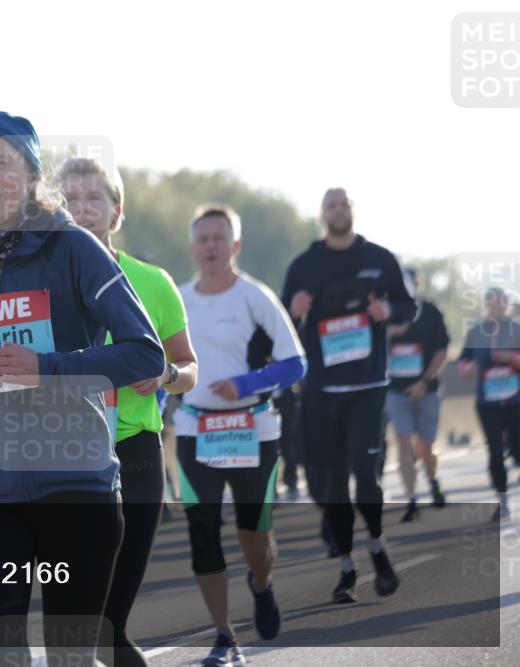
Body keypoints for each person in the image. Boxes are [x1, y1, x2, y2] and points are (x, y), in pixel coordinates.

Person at [0, 112, 165, 667]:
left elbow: (146, 352)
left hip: (76, 485)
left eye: (1, 163)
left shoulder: (74, 248)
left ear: (31, 174)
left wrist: (48, 368)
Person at [60, 157, 198, 666]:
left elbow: (188, 366)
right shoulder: (45, 287)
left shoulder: (154, 283)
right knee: (89, 622)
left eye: (94, 199)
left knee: (111, 622)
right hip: (67, 449)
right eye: (69, 200)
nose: (81, 209)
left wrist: (165, 376)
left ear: (116, 212)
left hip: (135, 448)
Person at [174, 204, 307, 666]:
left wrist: (245, 384)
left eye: (219, 237)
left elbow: (296, 363)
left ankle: (262, 583)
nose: (211, 246)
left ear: (236, 245)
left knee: (255, 538)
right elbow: (158, 362)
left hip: (252, 428)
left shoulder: (256, 297)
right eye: (203, 238)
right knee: (202, 532)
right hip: (195, 428)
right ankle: (223, 635)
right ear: (192, 247)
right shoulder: (178, 298)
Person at [282, 187, 415, 604]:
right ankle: (345, 567)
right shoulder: (304, 265)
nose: (338, 211)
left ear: (353, 212)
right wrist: (294, 309)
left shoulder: (379, 258)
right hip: (321, 389)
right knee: (331, 484)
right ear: (322, 215)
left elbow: (409, 307)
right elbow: (279, 320)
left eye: (344, 205)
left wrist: (387, 312)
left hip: (367, 385)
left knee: (365, 473)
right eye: (330, 206)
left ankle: (375, 544)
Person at [384, 267, 450, 521]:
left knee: (424, 447)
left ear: (417, 284)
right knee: (402, 443)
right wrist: (388, 333)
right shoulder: (386, 315)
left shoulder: (432, 313)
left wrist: (424, 382)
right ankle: (411, 500)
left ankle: (433, 480)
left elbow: (442, 351)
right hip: (396, 392)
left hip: (427, 390)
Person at [457, 287, 520, 522]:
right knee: (494, 452)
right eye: (490, 302)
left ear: (505, 303)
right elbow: (463, 359)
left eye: (499, 302)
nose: (495, 306)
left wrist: (512, 358)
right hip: (488, 403)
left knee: (517, 450)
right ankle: (502, 502)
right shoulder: (476, 332)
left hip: (516, 402)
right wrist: (467, 369)